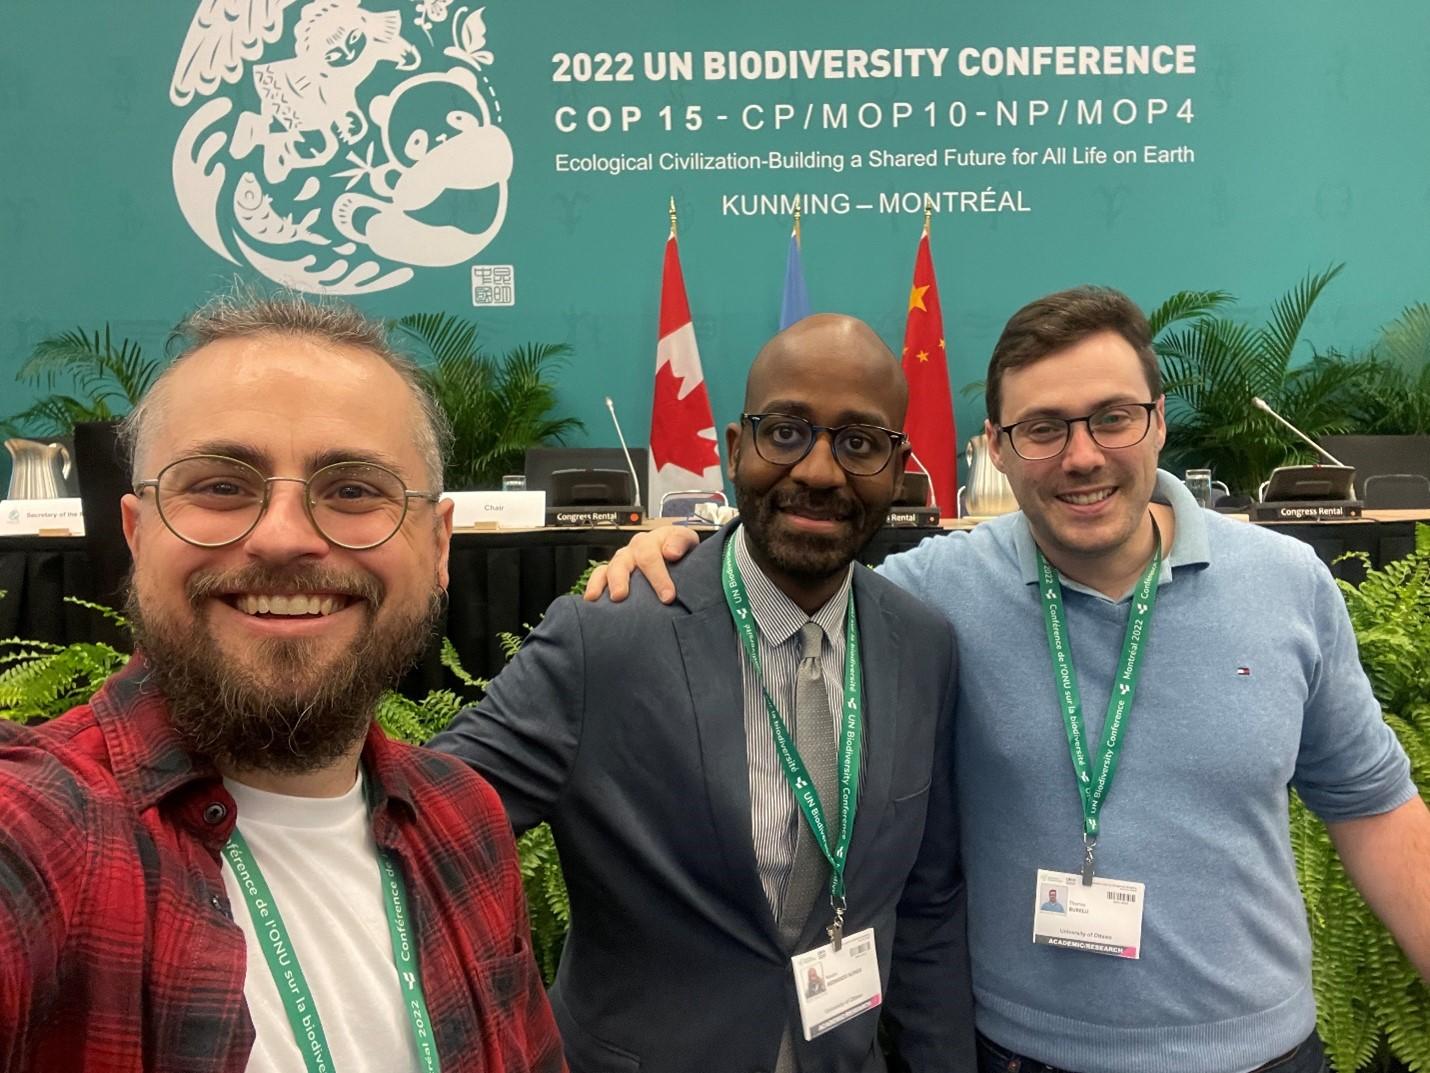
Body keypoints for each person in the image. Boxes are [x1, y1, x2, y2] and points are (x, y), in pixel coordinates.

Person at [588, 287, 1430, 1073]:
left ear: (1160, 422)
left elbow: (1377, 809)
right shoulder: (929, 596)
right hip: (1020, 1053)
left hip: (1260, 1052)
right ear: (996, 446)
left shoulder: (1287, 583)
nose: (1082, 456)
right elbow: (780, 577)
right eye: (1043, 428)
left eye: (1113, 417)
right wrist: (669, 555)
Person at [0, 294, 564, 1073]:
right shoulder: (46, 831)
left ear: (439, 546)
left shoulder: (464, 818)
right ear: (136, 534)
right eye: (220, 486)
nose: (283, 537)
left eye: (354, 490)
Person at [430, 314, 973, 1072]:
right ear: (734, 447)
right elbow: (421, 834)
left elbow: (928, 907)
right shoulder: (607, 639)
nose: (820, 471)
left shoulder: (923, 646)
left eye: (859, 442)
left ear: (899, 466)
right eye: (787, 432)